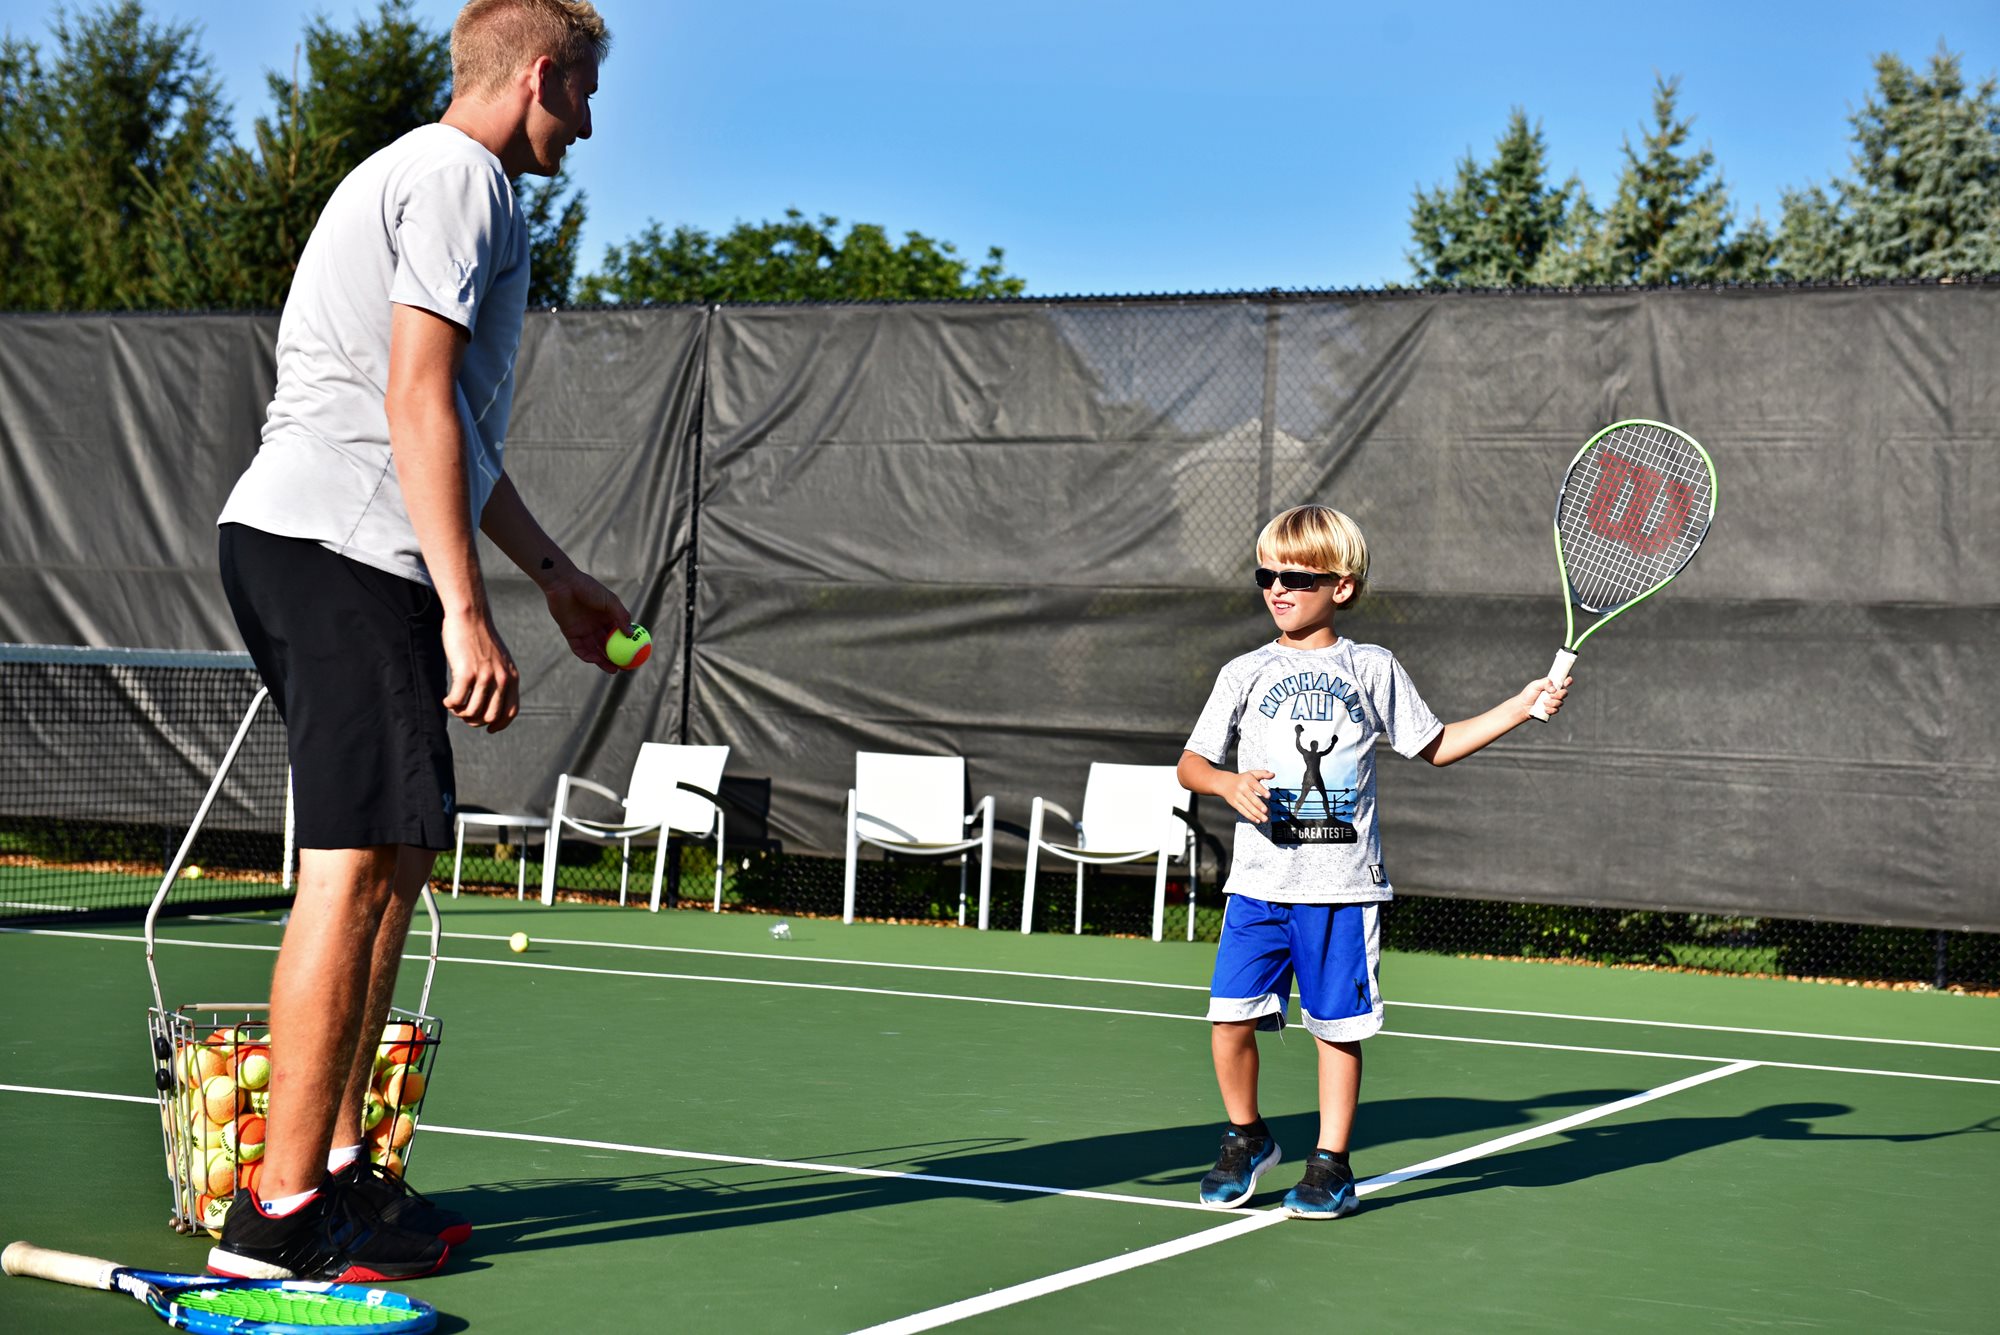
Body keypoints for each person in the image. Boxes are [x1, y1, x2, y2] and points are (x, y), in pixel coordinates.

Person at [208, 0, 618, 1282]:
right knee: (348, 865)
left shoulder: (423, 176)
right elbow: (413, 395)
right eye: (584, 94)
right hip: (340, 547)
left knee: (394, 859)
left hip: (326, 545)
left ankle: (337, 1175)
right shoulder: (460, 178)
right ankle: (276, 1216)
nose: (587, 124)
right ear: (540, 75)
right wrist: (463, 608)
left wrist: (554, 580)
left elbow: (459, 439)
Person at [1176, 504, 1568, 1219]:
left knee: (1336, 1029)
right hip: (1256, 888)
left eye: (1297, 577)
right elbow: (1191, 763)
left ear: (1342, 586)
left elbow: (1436, 744)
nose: (1277, 588)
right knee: (1228, 1021)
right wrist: (1226, 783)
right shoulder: (1243, 672)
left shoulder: (1372, 667)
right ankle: (1246, 1136)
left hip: (1343, 890)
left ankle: (1331, 1164)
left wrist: (1519, 706)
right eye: (1267, 575)